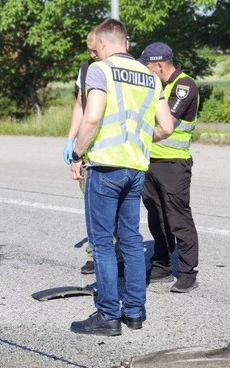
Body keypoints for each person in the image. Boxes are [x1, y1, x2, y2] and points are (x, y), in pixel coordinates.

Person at [68, 18, 174, 336]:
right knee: (130, 240)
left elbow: (93, 116)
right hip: (136, 167)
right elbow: (167, 127)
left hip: (106, 167)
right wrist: (141, 140)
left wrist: (76, 152)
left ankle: (108, 316)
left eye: (95, 48)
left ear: (102, 43)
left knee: (102, 243)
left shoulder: (100, 70)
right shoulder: (149, 76)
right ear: (125, 42)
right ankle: (135, 312)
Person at [138, 42, 200, 293]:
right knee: (157, 218)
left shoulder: (184, 85)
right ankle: (162, 264)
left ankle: (187, 272)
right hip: (150, 162)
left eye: (148, 67)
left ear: (160, 65)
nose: (145, 71)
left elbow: (167, 123)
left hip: (173, 164)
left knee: (178, 218)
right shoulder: (158, 86)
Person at [64, 29, 124, 275]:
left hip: (115, 148)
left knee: (117, 207)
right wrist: (71, 140)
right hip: (89, 149)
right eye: (88, 49)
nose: (91, 53)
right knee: (93, 205)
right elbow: (81, 105)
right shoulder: (87, 69)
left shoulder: (116, 69)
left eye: (94, 48)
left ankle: (118, 255)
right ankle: (94, 253)